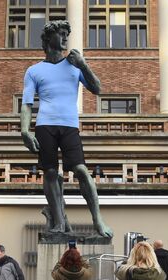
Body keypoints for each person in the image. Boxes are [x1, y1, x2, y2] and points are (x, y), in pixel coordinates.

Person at [20, 20, 112, 238]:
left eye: (66, 35)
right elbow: (26, 103)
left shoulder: (74, 65)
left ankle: (98, 220)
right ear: (48, 38)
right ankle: (59, 222)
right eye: (60, 34)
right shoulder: (34, 70)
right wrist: (25, 130)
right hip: (45, 125)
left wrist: (83, 64)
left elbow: (97, 89)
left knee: (80, 170)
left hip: (69, 125)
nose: (64, 39)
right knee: (51, 172)